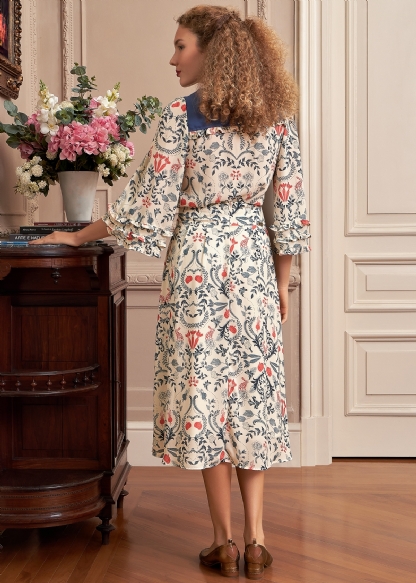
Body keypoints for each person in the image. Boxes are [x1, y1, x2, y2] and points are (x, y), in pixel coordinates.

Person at [31, 5, 310, 579]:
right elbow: (289, 212)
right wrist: (281, 287)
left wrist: (77, 234)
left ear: (210, 52)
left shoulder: (182, 117)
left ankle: (222, 541)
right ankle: (257, 540)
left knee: (205, 396)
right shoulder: (278, 119)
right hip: (253, 268)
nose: (172, 57)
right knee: (251, 398)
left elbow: (143, 206)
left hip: (196, 268)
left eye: (181, 46)